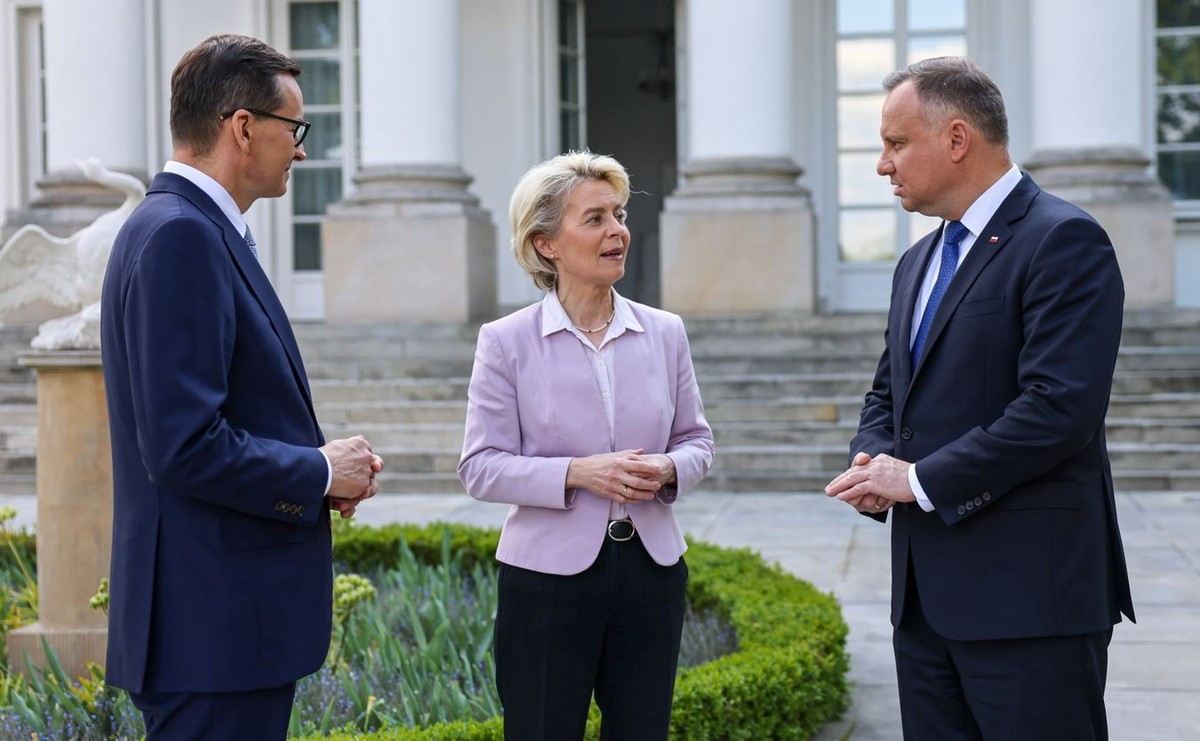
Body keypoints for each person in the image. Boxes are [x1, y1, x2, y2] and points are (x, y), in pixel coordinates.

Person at [824, 56, 1135, 740]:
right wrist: (872, 458)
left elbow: (1060, 409)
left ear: (957, 139)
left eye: (895, 143)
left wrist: (919, 480)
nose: (883, 164)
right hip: (924, 606)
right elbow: (889, 389)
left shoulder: (1063, 239)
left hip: (1031, 605)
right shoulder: (915, 261)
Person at [100, 34, 383, 740]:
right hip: (213, 634)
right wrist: (318, 470)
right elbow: (184, 445)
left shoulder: (176, 227)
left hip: (213, 631)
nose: (303, 150)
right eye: (296, 129)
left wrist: (319, 471)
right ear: (244, 126)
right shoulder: (181, 237)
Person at [458, 151, 715, 740]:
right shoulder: (506, 342)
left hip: (653, 572)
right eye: (594, 218)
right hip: (546, 578)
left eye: (618, 214)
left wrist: (669, 468)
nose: (617, 230)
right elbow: (480, 468)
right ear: (546, 243)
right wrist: (577, 472)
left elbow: (697, 441)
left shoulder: (665, 332)